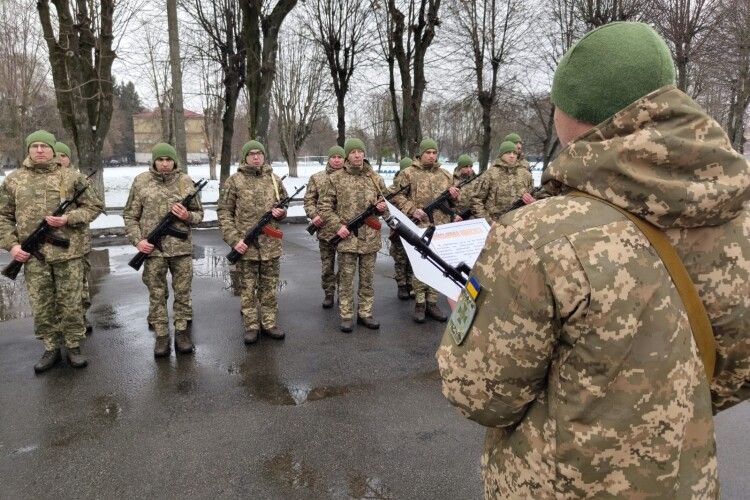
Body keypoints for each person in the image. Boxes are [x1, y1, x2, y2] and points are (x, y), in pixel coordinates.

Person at [436, 22, 750, 498]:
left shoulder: (539, 235)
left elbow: (480, 394)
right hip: (686, 482)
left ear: (572, 113)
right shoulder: (740, 214)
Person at [0, 130, 103, 372]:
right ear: (28, 150)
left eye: (44, 146)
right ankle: (50, 348)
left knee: (71, 303)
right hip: (33, 257)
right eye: (34, 146)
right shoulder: (13, 180)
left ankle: (74, 346)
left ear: (53, 150)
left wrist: (69, 218)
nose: (39, 150)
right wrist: (13, 246)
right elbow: (3, 217)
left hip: (69, 255)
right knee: (42, 304)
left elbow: (94, 206)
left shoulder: (71, 177)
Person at [123, 143, 203, 358]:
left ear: (175, 161)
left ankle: (181, 331)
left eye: (169, 159)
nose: (165, 164)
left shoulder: (186, 181)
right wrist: (138, 241)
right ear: (154, 161)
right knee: (157, 294)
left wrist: (187, 216)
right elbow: (130, 216)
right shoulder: (141, 181)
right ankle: (161, 335)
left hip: (181, 250)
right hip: (152, 251)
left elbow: (199, 215)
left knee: (183, 292)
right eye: (161, 160)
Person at [217, 140, 289, 345]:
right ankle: (251, 326)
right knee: (247, 289)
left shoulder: (274, 180)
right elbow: (224, 212)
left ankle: (269, 323)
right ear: (245, 157)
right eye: (252, 154)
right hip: (245, 246)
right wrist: (234, 240)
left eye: (259, 153)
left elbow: (284, 204)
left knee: (269, 287)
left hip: (270, 246)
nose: (256, 157)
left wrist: (281, 213)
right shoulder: (234, 181)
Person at [319, 138, 387, 333]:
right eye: (353, 152)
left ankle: (365, 313)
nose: (357, 155)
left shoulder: (374, 178)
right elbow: (324, 207)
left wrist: (382, 208)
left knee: (367, 280)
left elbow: (386, 202)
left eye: (360, 151)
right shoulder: (336, 178)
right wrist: (337, 226)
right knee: (346, 280)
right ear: (347, 155)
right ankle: (346, 315)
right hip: (347, 238)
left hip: (370, 239)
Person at [390, 138, 459, 323]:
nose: (431, 156)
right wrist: (413, 210)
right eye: (427, 152)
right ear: (420, 154)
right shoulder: (408, 173)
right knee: (420, 266)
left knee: (438, 267)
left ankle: (433, 302)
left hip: (440, 228)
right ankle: (420, 304)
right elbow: (396, 197)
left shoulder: (445, 175)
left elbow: (454, 203)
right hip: (419, 227)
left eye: (434, 152)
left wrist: (454, 197)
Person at [54, 142, 95, 335]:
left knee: (80, 282)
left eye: (64, 156)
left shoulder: (78, 180)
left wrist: (70, 219)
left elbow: (92, 208)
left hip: (79, 241)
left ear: (69, 159)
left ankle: (80, 314)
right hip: (52, 243)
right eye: (57, 155)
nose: (60, 159)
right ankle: (61, 319)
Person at [304, 146, 344, 309]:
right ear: (328, 159)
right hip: (325, 230)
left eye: (340, 157)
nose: (336, 160)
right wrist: (314, 215)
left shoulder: (349, 178)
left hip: (345, 230)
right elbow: (309, 200)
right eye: (333, 157)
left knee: (345, 266)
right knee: (327, 265)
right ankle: (328, 293)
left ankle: (344, 293)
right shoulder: (317, 178)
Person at [470, 140, 532, 224]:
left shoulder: (525, 174)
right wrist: (488, 221)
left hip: (519, 223)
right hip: (496, 223)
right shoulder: (490, 174)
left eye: (514, 153)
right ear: (501, 155)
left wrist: (532, 201)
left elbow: (533, 196)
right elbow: (476, 200)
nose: (512, 156)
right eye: (508, 153)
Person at [390, 157, 414, 300]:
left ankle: (411, 283)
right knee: (400, 258)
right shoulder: (394, 189)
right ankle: (401, 285)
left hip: (413, 226)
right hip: (400, 227)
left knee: (412, 257)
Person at [452, 154, 477, 220]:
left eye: (470, 167)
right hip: (458, 216)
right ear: (460, 167)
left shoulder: (477, 180)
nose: (469, 169)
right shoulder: (452, 180)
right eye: (465, 167)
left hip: (474, 215)